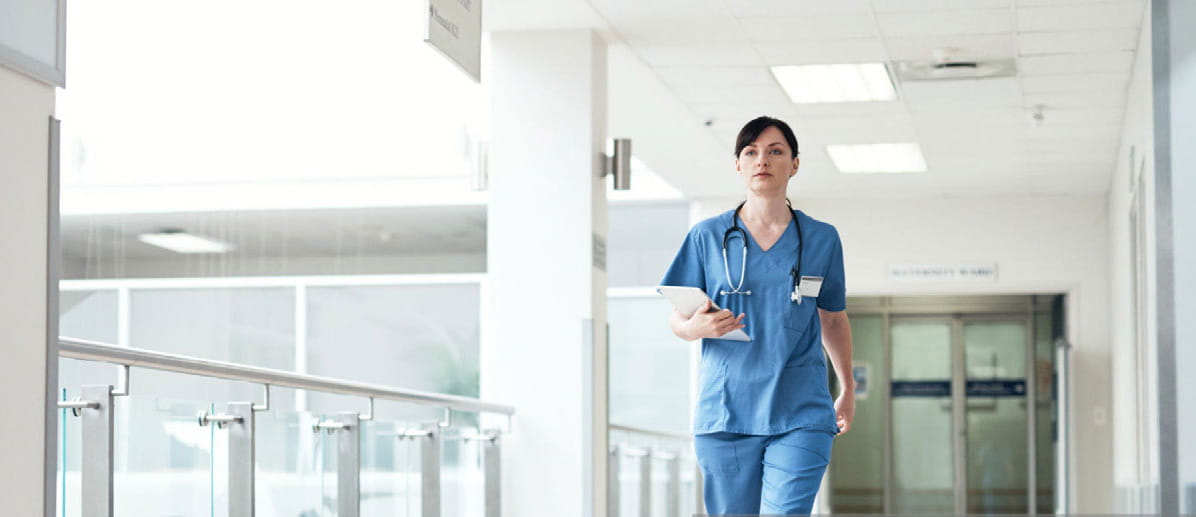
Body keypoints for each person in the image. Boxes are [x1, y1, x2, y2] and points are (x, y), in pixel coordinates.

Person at [661, 116, 855, 515]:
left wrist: (848, 387)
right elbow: (678, 318)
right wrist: (694, 327)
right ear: (739, 165)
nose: (761, 160)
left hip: (801, 411)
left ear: (794, 164)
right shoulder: (707, 237)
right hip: (726, 412)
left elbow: (833, 318)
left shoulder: (820, 239)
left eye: (775, 151)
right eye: (750, 152)